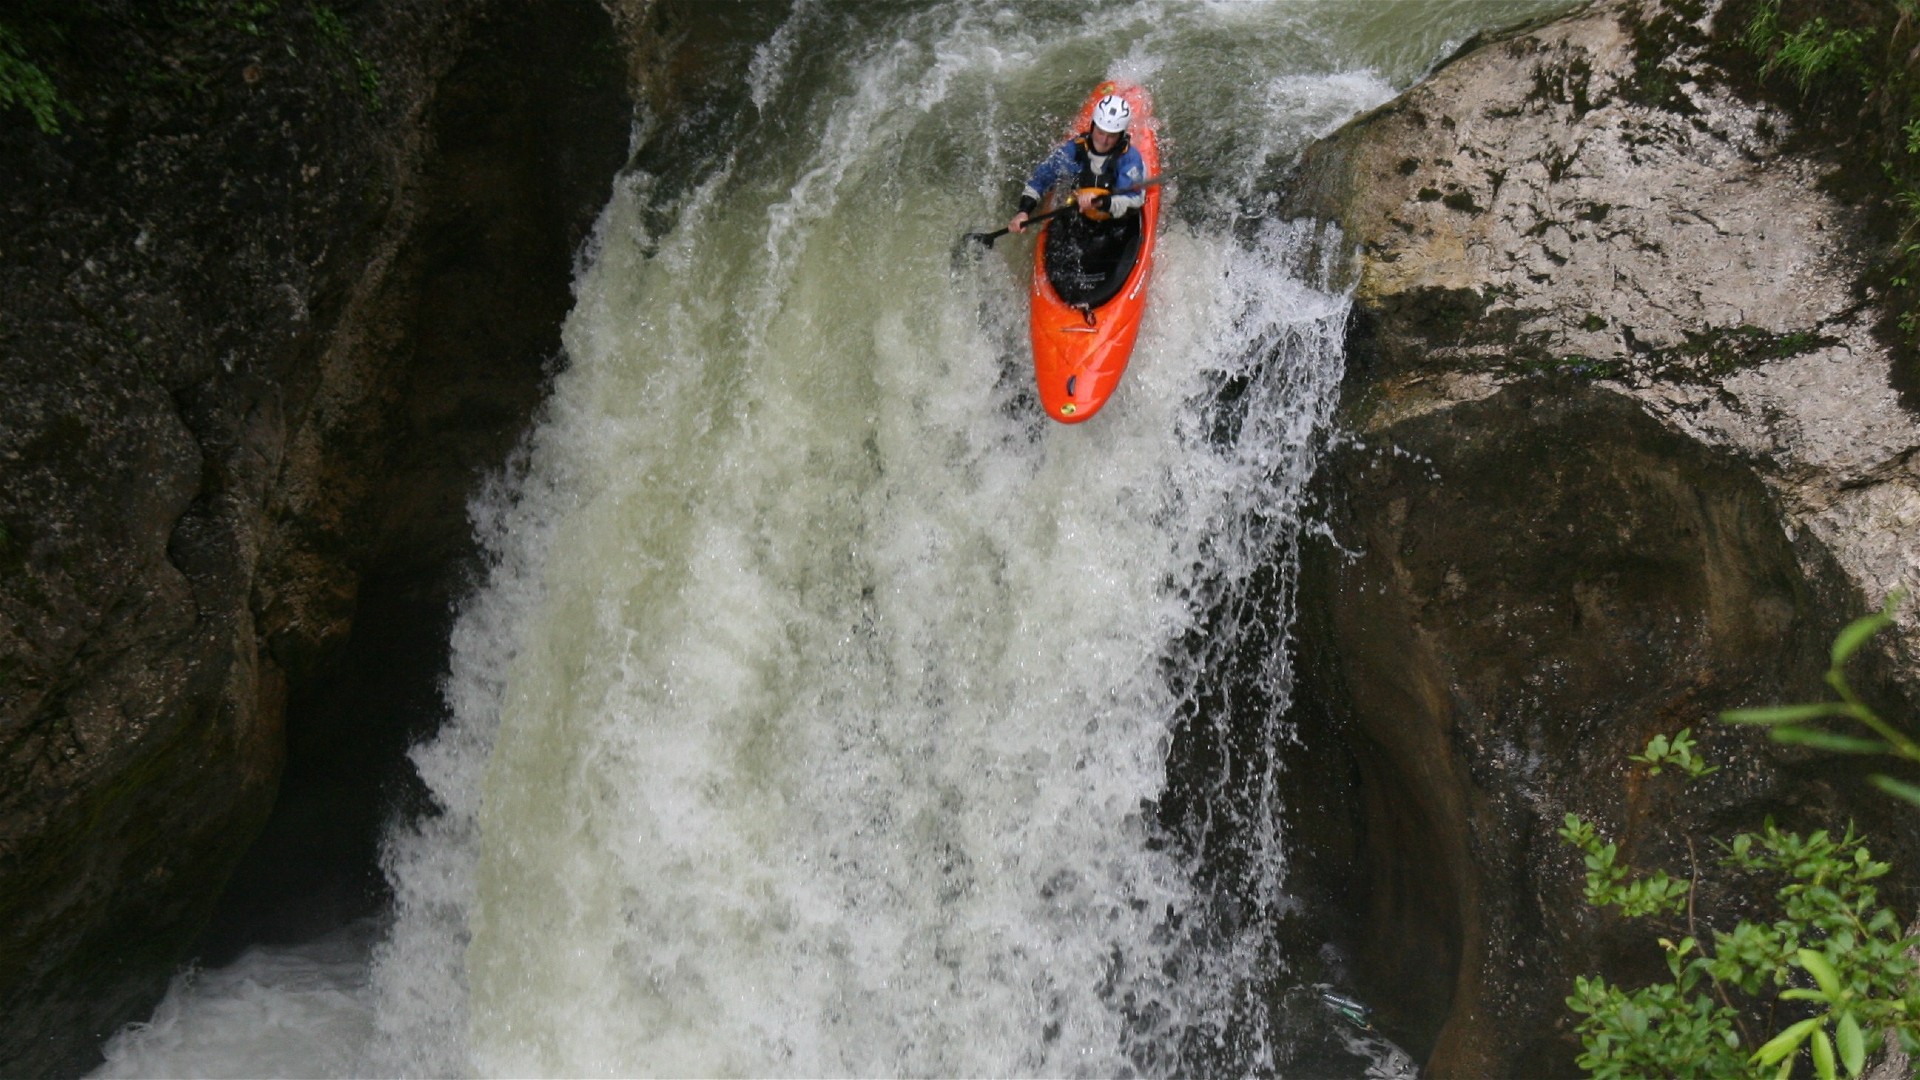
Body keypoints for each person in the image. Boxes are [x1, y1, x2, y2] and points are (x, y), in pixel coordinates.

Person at [1006, 93, 1147, 306]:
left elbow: (1135, 200)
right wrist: (1024, 210)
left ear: (1121, 134)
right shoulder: (1074, 150)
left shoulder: (1129, 159)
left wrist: (1104, 201)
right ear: (1092, 127)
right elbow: (1041, 178)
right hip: (1080, 219)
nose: (1105, 140)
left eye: (1112, 135)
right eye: (1100, 132)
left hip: (1116, 226)